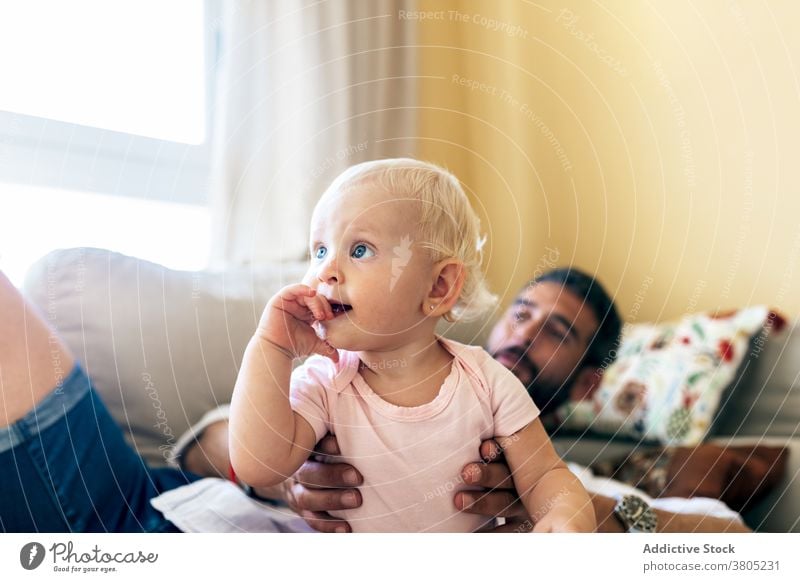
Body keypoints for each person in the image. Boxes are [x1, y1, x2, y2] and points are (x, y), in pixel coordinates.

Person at [0, 226, 749, 534]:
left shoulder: (572, 481)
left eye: (557, 333)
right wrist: (283, 475)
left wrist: (587, 510)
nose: (524, 332)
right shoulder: (348, 371)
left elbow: (733, 539)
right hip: (153, 507)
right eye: (522, 313)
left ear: (587, 386)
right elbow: (204, 451)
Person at [228, 159, 596, 532]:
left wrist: (565, 516)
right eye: (320, 250)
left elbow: (544, 475)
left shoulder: (487, 381)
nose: (325, 271)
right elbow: (259, 465)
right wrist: (271, 347)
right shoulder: (326, 377)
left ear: (438, 287)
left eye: (359, 250)